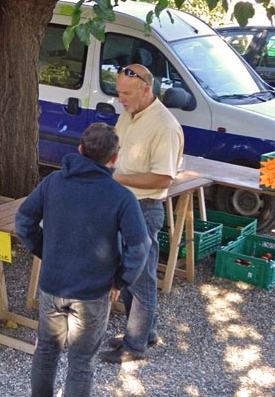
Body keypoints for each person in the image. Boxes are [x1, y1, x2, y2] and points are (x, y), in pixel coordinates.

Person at [16, 122, 150, 397]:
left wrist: (45, 251)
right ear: (114, 159)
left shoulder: (52, 182)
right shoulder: (121, 197)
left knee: (46, 351)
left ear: (79, 149)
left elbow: (24, 220)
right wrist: (120, 281)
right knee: (81, 363)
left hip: (53, 285)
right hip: (92, 293)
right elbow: (140, 247)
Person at [99, 63, 184, 364]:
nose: (120, 98)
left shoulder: (164, 125)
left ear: (147, 89)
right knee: (131, 275)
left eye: (127, 93)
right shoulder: (129, 113)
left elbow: (164, 178)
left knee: (141, 279)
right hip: (125, 205)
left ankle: (135, 346)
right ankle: (145, 333)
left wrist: (117, 179)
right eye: (119, 92)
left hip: (144, 208)